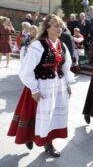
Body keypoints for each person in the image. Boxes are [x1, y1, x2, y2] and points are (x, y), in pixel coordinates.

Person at [7, 14, 72, 157]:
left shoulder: (62, 45)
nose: (59, 29)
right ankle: (33, 138)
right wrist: (34, 89)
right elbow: (25, 70)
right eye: (56, 26)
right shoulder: (38, 45)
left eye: (60, 26)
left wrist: (67, 84)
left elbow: (66, 67)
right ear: (47, 28)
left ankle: (49, 143)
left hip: (57, 86)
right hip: (41, 86)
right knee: (36, 115)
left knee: (53, 115)